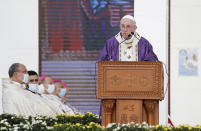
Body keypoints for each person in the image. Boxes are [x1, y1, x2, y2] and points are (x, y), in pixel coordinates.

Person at [2, 63, 72, 117]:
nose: (27, 74)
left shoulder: (21, 89)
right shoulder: (12, 91)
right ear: (16, 74)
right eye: (25, 72)